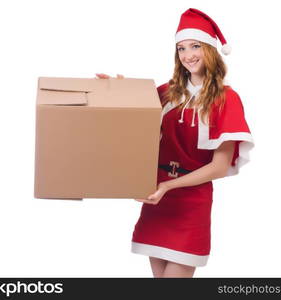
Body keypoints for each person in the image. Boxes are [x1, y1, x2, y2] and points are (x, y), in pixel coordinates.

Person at [96, 8, 254, 278]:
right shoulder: (167, 92)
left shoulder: (227, 99)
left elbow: (219, 166)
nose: (188, 55)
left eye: (195, 46)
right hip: (156, 198)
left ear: (211, 51)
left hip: (189, 202)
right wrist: (116, 90)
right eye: (181, 48)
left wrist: (168, 186)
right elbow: (131, 118)